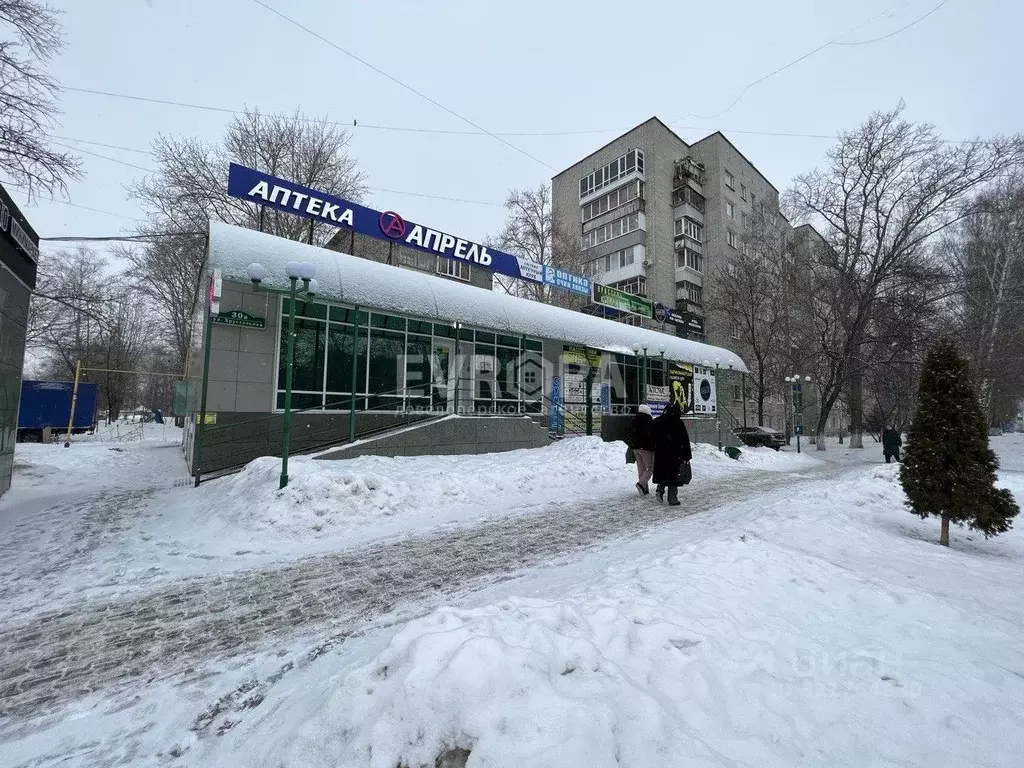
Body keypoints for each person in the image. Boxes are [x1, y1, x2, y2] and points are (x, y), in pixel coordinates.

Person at [653, 402, 692, 506]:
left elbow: (651, 436)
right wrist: (687, 455)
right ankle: (672, 499)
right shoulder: (678, 423)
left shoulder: (657, 422)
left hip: (661, 453)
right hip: (675, 454)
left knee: (663, 473)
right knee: (674, 477)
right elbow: (685, 440)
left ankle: (660, 489)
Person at [629, 404, 657, 495]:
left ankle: (644, 490)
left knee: (641, 469)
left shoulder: (633, 420)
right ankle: (641, 484)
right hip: (646, 448)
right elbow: (651, 435)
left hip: (635, 448)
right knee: (650, 468)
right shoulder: (648, 421)